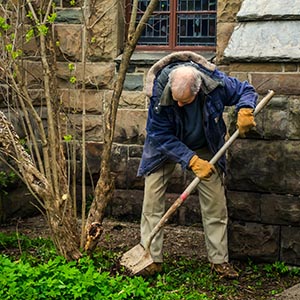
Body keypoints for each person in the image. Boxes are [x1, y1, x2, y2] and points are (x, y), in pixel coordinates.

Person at [137, 51, 257, 279]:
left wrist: (245, 109)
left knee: (215, 203)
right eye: (176, 100)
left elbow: (245, 90)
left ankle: (219, 261)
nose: (179, 104)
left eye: (185, 101)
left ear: (198, 89)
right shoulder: (160, 90)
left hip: (204, 144)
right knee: (152, 201)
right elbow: (158, 133)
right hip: (166, 145)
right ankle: (150, 259)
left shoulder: (216, 84)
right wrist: (190, 160)